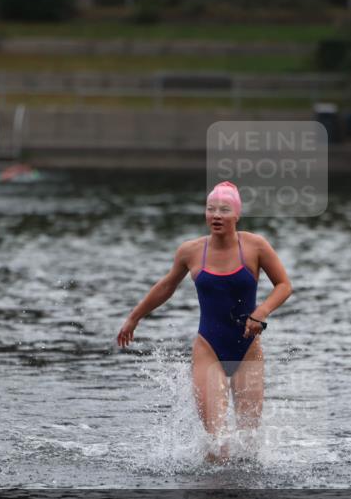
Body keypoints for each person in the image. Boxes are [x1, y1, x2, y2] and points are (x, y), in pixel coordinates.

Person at [116, 181, 293, 463]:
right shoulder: (191, 251)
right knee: (217, 442)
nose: (216, 215)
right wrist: (133, 318)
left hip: (248, 350)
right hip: (208, 347)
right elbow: (166, 286)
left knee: (249, 444)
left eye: (224, 209)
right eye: (211, 209)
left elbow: (284, 285)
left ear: (237, 214)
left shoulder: (255, 246)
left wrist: (261, 312)